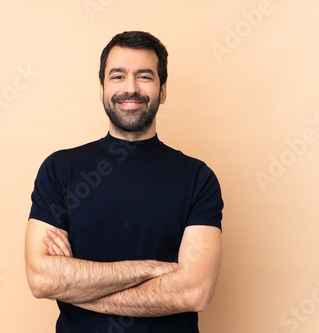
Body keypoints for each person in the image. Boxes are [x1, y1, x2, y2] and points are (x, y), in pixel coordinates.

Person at [25, 31, 224, 332]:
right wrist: (150, 269)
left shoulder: (198, 178)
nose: (130, 89)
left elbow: (193, 292)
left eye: (144, 76)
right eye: (117, 77)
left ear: (163, 90)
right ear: (102, 88)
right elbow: (42, 279)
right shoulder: (60, 169)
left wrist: (75, 287)